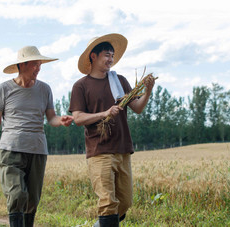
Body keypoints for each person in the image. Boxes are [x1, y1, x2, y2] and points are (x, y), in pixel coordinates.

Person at [69, 34, 155, 226]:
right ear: (93, 56)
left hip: (123, 149)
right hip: (99, 151)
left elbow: (138, 108)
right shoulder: (81, 86)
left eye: (112, 56)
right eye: (107, 55)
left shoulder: (120, 80)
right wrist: (104, 113)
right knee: (108, 203)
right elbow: (78, 118)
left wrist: (148, 90)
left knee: (125, 202)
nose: (111, 60)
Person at [0, 46, 73, 227]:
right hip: (10, 150)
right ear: (22, 65)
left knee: (32, 200)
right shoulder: (3, 89)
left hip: (37, 150)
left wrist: (61, 120)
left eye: (40, 64)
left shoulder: (45, 89)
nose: (38, 68)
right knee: (17, 194)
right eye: (35, 64)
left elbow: (51, 117)